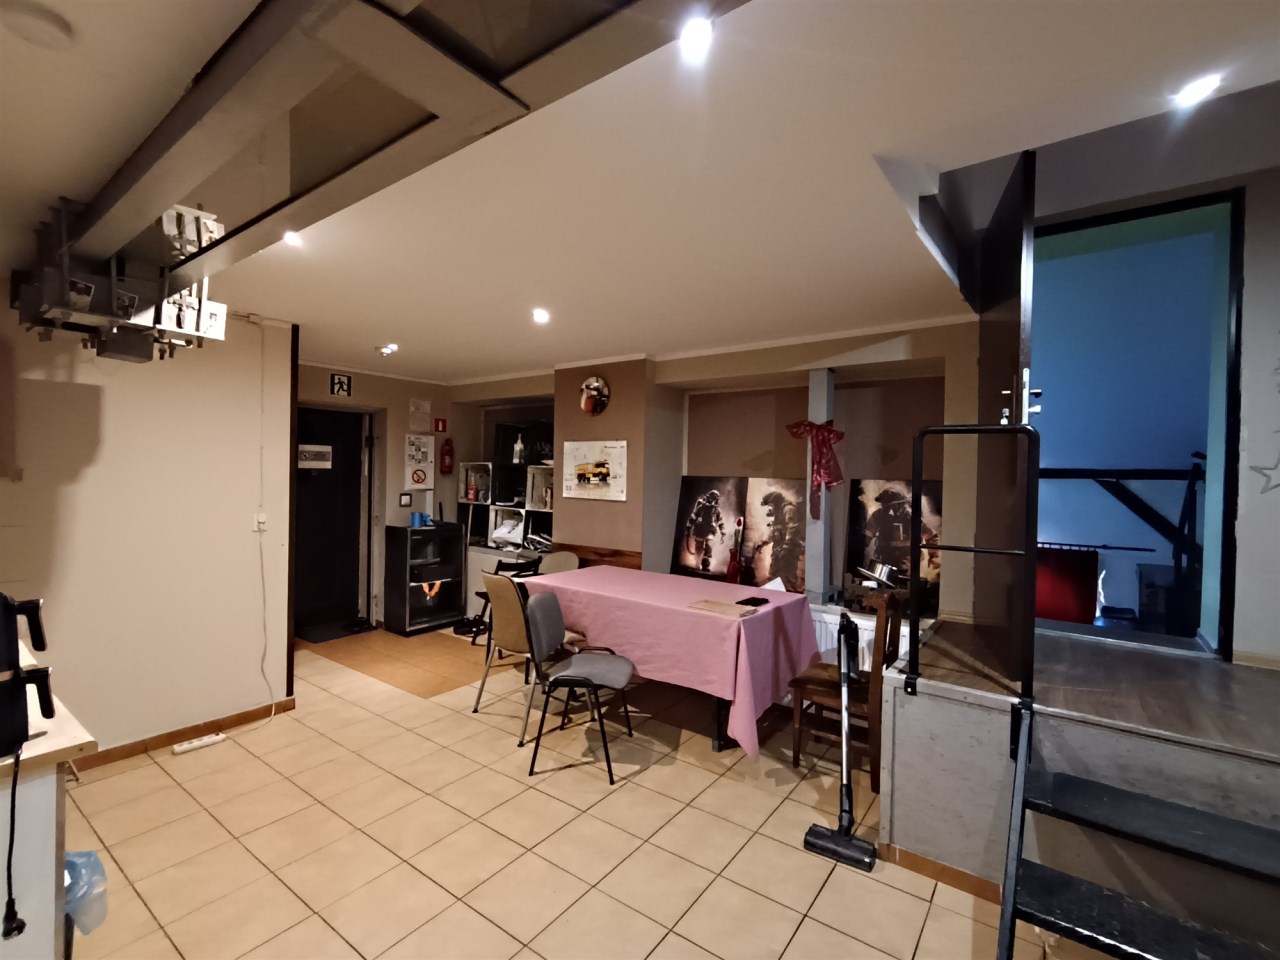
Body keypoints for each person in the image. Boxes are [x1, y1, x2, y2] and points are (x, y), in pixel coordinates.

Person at [760, 490, 804, 590]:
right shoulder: (778, 513)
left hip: (789, 551)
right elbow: (775, 531)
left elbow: (792, 528)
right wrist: (764, 543)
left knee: (787, 579)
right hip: (778, 550)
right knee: (774, 577)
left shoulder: (788, 509)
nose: (771, 508)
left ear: (776, 502)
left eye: (771, 505)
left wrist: (786, 546)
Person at [685, 489, 726, 571]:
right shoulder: (701, 508)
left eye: (715, 499)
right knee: (699, 548)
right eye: (712, 498)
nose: (713, 500)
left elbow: (720, 521)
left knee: (709, 545)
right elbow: (692, 518)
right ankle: (697, 562)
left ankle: (705, 564)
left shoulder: (717, 511)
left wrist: (722, 531)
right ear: (708, 498)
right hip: (700, 530)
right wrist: (688, 529)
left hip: (710, 531)